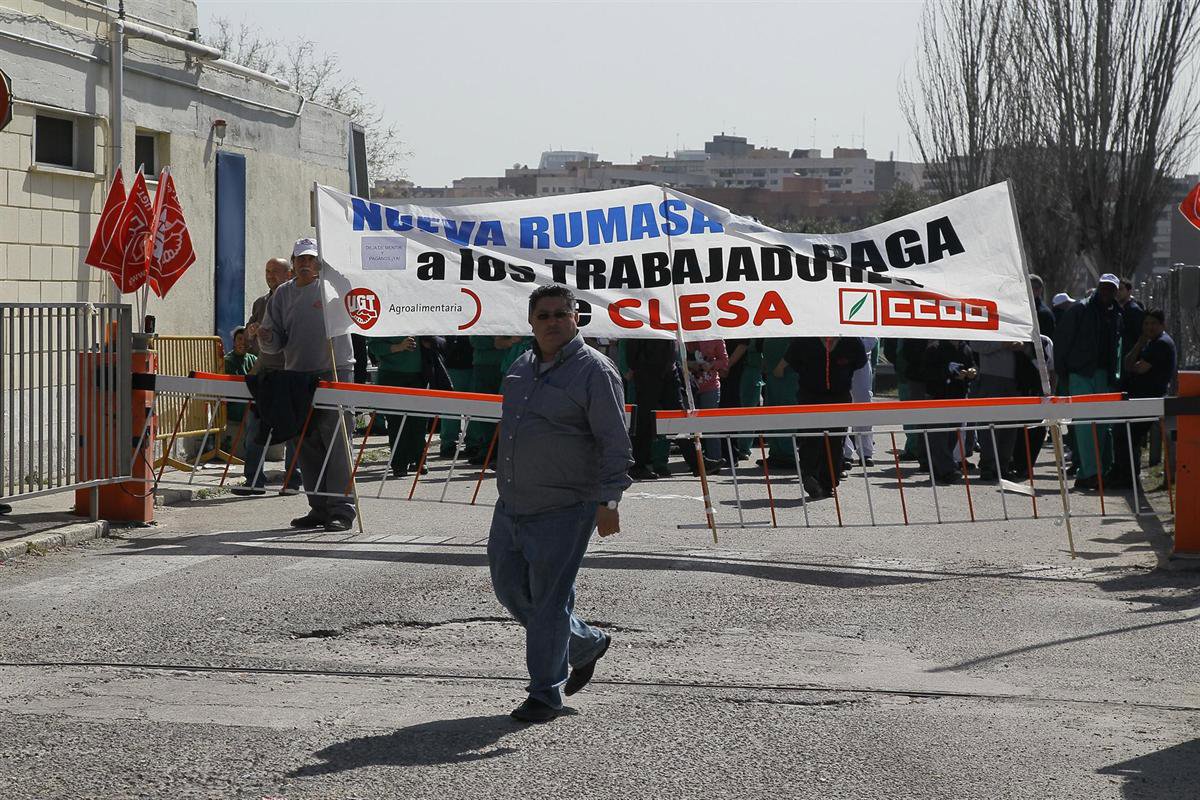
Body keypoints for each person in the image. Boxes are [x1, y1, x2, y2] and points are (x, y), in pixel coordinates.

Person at [488, 284, 632, 724]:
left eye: (560, 314)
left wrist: (609, 500)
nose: (552, 322)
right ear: (531, 322)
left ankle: (545, 695)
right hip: (512, 504)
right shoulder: (520, 367)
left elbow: (614, 440)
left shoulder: (595, 370)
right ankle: (584, 643)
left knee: (550, 602)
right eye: (543, 315)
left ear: (576, 318)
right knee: (510, 590)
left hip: (566, 507)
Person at [257, 237, 356, 531]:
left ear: (319, 262)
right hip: (297, 376)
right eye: (301, 258)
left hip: (334, 372)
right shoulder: (282, 294)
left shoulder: (331, 289)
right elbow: (273, 342)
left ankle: (342, 510)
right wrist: (265, 337)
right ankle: (319, 508)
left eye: (311, 258)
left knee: (337, 444)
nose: (306, 264)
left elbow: (353, 296)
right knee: (306, 445)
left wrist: (331, 271)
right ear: (293, 262)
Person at [236, 258, 301, 495]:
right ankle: (253, 481)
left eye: (275, 271)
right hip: (264, 375)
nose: (270, 275)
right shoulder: (261, 303)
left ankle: (292, 481)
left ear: (289, 274)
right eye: (267, 271)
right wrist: (251, 332)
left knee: (293, 431)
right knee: (255, 429)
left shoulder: (297, 301)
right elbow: (248, 337)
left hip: (291, 372)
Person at [1053, 273, 1122, 490]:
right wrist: (1063, 373)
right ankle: (1090, 472)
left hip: (1103, 374)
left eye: (1111, 288)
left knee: (1101, 426)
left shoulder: (1116, 313)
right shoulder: (1080, 310)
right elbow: (1062, 341)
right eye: (1104, 287)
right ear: (1098, 287)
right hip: (1081, 373)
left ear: (1116, 291)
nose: (1107, 291)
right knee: (1084, 427)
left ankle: (1093, 472)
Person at [782, 336, 867, 499]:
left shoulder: (851, 342)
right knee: (810, 438)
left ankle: (829, 484)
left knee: (835, 441)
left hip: (839, 397)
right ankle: (810, 476)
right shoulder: (804, 341)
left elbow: (860, 361)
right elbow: (793, 360)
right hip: (810, 397)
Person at [1107, 309, 1176, 490]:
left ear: (1162, 325)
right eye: (1146, 323)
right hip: (1141, 398)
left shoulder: (1161, 344)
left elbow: (1138, 368)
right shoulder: (1150, 343)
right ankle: (1125, 474)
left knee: (1126, 434)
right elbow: (1127, 363)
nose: (1149, 327)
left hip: (1149, 400)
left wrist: (1134, 363)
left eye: (1153, 323)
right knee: (1125, 434)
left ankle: (1128, 478)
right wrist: (1139, 343)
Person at [367, 335, 427, 478]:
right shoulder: (385, 324)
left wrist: (430, 342)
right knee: (396, 422)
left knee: (419, 422)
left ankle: (419, 460)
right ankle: (399, 464)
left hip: (420, 375)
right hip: (391, 375)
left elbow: (440, 339)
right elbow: (374, 347)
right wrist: (399, 347)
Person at [920, 339, 977, 484]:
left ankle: (938, 470)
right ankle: (948, 470)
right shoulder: (934, 348)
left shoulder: (966, 349)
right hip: (938, 396)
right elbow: (926, 372)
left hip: (958, 396)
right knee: (938, 435)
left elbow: (972, 365)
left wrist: (972, 371)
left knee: (952, 435)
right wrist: (950, 374)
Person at [687, 339, 729, 462]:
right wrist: (689, 364)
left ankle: (714, 459)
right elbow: (676, 359)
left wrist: (711, 365)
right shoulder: (684, 335)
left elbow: (724, 361)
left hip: (711, 386)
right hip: (689, 386)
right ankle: (695, 461)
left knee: (711, 424)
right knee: (692, 426)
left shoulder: (715, 337)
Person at [843, 337, 878, 468]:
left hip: (861, 360)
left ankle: (866, 452)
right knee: (842, 405)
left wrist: (854, 350)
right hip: (838, 360)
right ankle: (844, 452)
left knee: (863, 405)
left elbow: (872, 337)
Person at [222, 327, 257, 453]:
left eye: (246, 339)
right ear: (234, 342)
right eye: (239, 339)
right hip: (234, 404)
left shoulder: (253, 359)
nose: (243, 342)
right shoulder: (227, 361)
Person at [1117, 278, 1146, 374]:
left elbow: (1140, 336)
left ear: (1129, 291)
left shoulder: (1134, 311)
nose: (1118, 292)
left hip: (1130, 358)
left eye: (1121, 289)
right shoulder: (1118, 309)